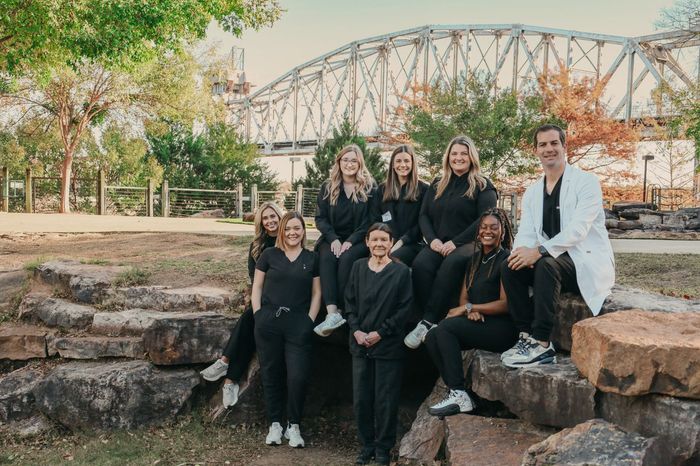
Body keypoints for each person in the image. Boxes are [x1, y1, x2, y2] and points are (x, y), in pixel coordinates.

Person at [501, 124, 615, 368]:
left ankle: (542, 343)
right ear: (536, 151)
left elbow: (578, 230)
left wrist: (539, 252)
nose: (549, 149)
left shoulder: (586, 182)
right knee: (509, 266)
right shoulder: (532, 192)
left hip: (584, 260)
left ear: (565, 146)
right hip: (553, 261)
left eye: (554, 143)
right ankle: (526, 336)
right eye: (543, 144)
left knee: (546, 265)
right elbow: (527, 232)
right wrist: (520, 254)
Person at [405, 135, 498, 349]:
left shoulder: (483, 185)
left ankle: (428, 321)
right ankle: (431, 318)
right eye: (454, 153)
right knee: (421, 265)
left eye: (463, 154)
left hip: (470, 243)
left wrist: (455, 243)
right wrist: (433, 240)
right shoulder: (439, 183)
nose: (458, 158)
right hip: (439, 242)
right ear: (448, 157)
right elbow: (423, 216)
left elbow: (485, 219)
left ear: (471, 156)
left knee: (452, 264)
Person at [424, 208, 516, 417]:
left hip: (502, 328)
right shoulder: (474, 259)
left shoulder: (506, 260)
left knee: (446, 328)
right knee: (431, 336)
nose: (487, 231)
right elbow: (465, 297)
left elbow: (505, 304)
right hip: (479, 323)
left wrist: (471, 308)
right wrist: (468, 310)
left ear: (503, 231)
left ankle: (458, 393)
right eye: (483, 227)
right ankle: (458, 392)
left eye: (494, 227)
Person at [199, 202, 285, 408]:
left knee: (249, 318)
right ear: (261, 223)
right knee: (251, 324)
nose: (271, 221)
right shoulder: (256, 246)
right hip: (262, 298)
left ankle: (226, 364)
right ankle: (230, 381)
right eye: (266, 218)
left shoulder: (288, 241)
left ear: (280, 217)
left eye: (273, 216)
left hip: (283, 300)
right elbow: (254, 278)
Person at [251, 211, 321, 447]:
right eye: (288, 228)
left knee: (297, 376)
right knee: (271, 374)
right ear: (281, 231)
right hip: (268, 322)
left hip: (298, 324)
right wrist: (258, 315)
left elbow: (317, 293)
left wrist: (309, 321)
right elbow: (257, 287)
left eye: (297, 228)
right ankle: (275, 425)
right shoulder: (269, 255)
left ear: (303, 231)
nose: (292, 232)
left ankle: (294, 426)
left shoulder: (312, 258)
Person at [345, 223, 412, 465]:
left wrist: (381, 333)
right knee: (362, 398)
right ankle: (367, 445)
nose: (379, 244)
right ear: (367, 242)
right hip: (360, 344)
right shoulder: (357, 267)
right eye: (375, 240)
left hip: (388, 345)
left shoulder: (401, 272)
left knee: (385, 399)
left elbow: (405, 309)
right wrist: (356, 330)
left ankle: (383, 448)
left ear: (391, 242)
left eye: (384, 239)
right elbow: (349, 303)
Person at [313, 144, 376, 337]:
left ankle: (342, 308)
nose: (349, 164)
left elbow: (371, 220)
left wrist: (350, 241)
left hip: (358, 239)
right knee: (326, 257)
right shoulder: (328, 186)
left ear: (360, 163)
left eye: (354, 160)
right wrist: (333, 239)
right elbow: (320, 218)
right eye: (345, 160)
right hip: (331, 238)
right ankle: (332, 313)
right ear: (339, 162)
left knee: (347, 259)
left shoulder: (370, 187)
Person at [372, 144, 429, 266]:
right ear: (392, 164)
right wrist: (383, 243)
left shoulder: (424, 190)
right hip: (385, 243)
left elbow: (422, 223)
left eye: (407, 161)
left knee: (390, 261)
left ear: (413, 163)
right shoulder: (381, 190)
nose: (402, 165)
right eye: (398, 161)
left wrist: (401, 242)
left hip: (411, 244)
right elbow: (375, 220)